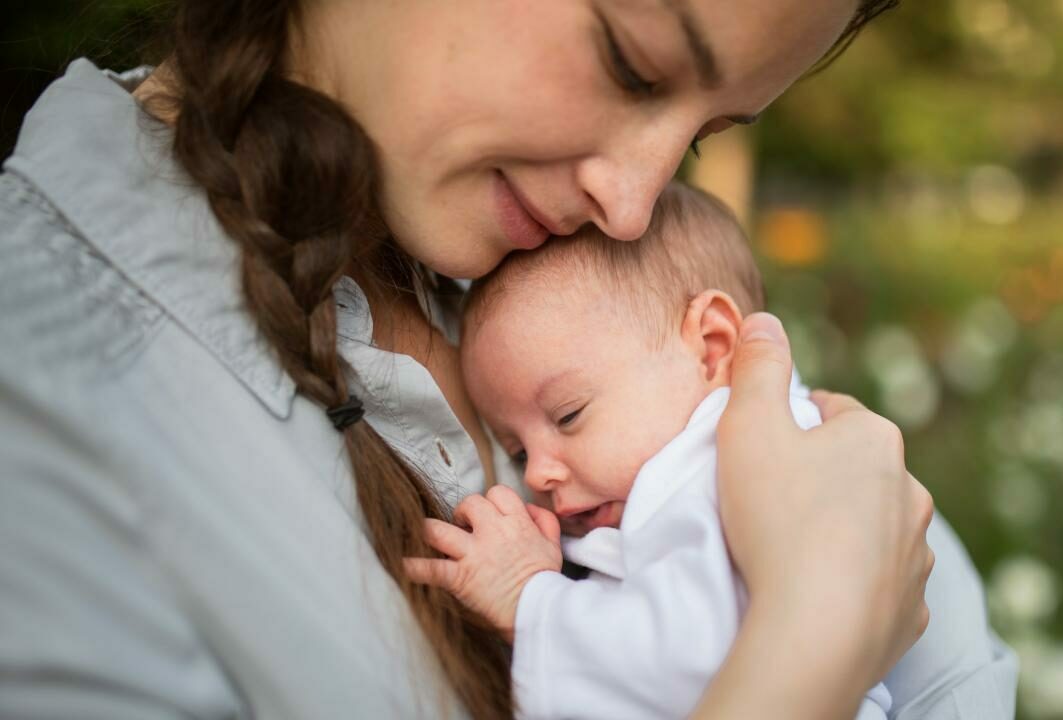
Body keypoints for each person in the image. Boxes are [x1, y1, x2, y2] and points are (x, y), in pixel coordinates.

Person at [0, 1, 957, 718]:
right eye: (629, 64)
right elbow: (858, 573)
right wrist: (814, 633)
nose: (629, 206)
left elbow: (942, 629)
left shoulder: (563, 271)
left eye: (699, 142)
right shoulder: (46, 408)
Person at [411, 181, 895, 719]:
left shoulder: (714, 472)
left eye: (568, 414)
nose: (540, 474)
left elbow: (702, 663)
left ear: (711, 349)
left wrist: (530, 600)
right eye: (518, 452)